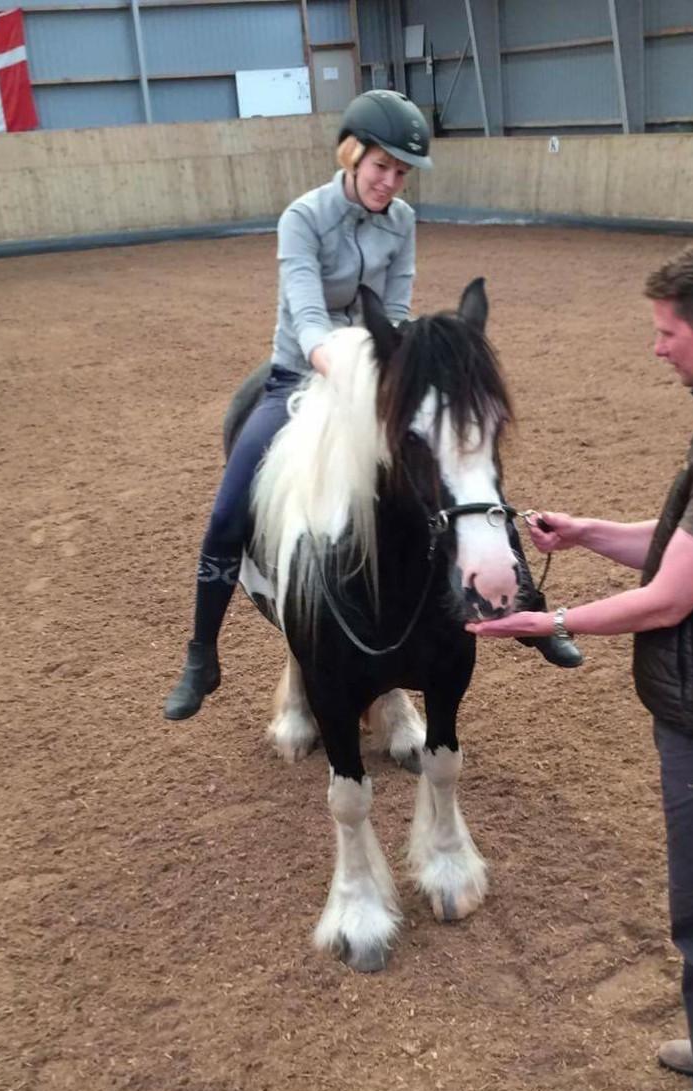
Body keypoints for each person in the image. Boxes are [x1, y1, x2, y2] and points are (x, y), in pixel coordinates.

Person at [468, 243, 693, 1091]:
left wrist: (555, 623)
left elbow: (669, 595)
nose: (657, 348)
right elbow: (683, 545)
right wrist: (589, 534)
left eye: (667, 332)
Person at [164, 89, 579, 720]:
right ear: (352, 155)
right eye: (381, 166)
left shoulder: (402, 222)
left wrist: (399, 372)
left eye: (401, 172)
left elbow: (396, 309)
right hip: (301, 379)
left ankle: (522, 606)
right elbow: (306, 320)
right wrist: (354, 373)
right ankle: (202, 653)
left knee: (460, 465)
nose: (390, 182)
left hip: (380, 376)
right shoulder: (302, 218)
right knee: (228, 512)